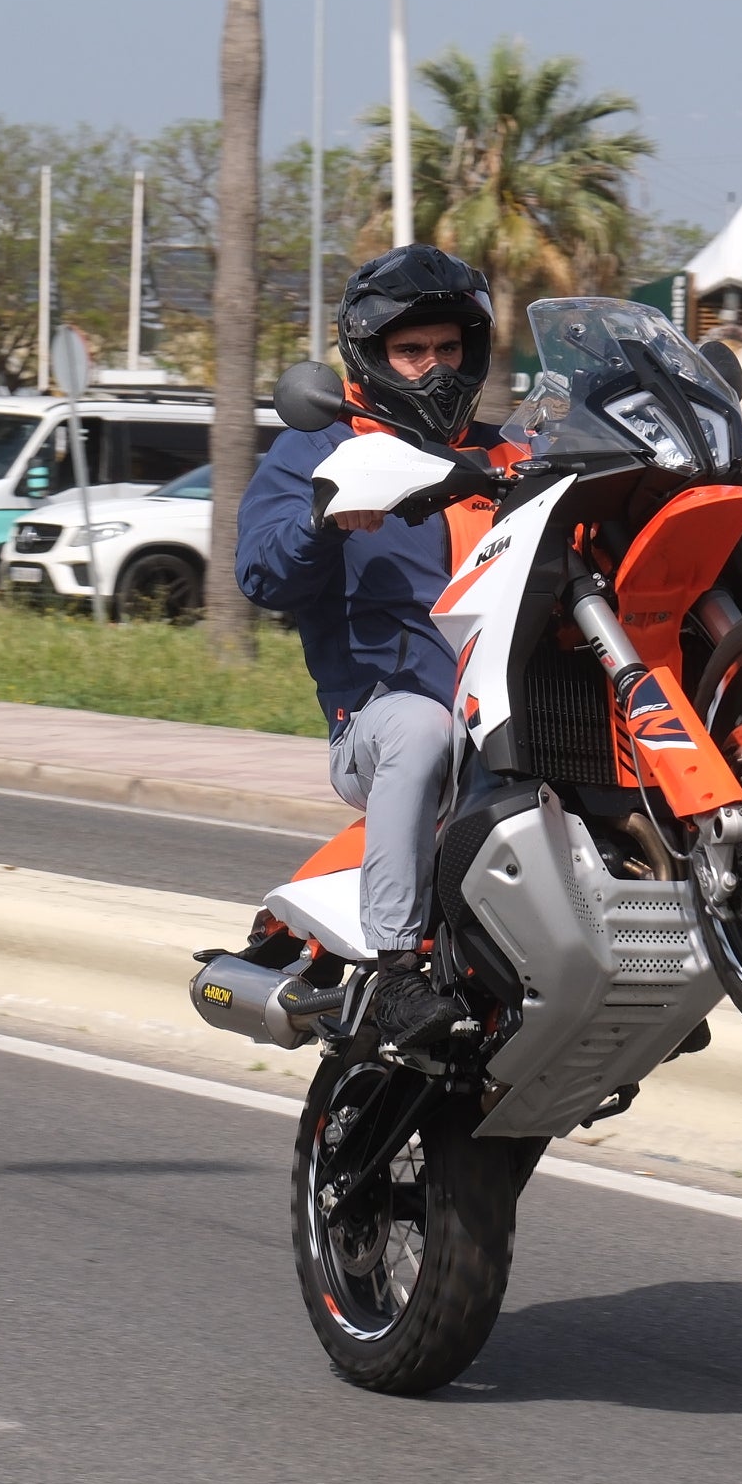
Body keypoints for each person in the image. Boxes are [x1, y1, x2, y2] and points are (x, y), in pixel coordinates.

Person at [236, 244, 500, 1051]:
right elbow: (260, 571)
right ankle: (393, 975)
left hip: (507, 718)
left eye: (448, 349)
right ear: (373, 356)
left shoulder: (506, 454)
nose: (433, 368)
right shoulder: (322, 450)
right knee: (424, 729)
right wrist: (322, 523)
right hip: (377, 727)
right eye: (411, 351)